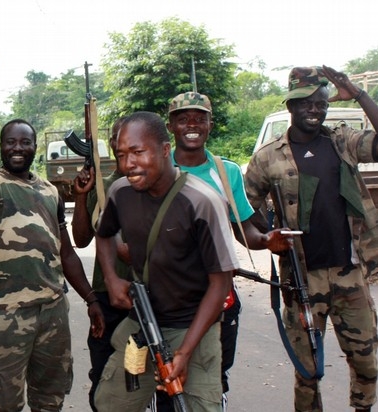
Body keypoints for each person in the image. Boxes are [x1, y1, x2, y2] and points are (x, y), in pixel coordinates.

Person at [244, 65, 378, 412]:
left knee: (367, 362)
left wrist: (360, 95)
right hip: (302, 278)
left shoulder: (341, 142)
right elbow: (242, 211)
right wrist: (264, 237)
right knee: (308, 371)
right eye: (306, 104)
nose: (314, 110)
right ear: (290, 105)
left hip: (349, 272)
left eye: (320, 104)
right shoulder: (267, 157)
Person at [0, 107, 105, 411]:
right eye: (10, 142)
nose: (17, 148)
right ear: (0, 146)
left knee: (50, 397)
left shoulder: (50, 191)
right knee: (1, 402)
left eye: (25, 142)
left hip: (52, 313)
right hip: (4, 316)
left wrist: (91, 299)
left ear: (35, 147)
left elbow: (66, 252)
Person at [93, 111, 238, 411]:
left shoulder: (202, 202)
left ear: (164, 150)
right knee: (110, 405)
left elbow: (221, 282)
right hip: (143, 325)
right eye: (121, 155)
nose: (128, 164)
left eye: (137, 152)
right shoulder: (121, 192)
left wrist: (185, 352)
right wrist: (111, 277)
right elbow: (104, 234)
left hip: (193, 328)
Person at [164, 91, 293, 410]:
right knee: (166, 380)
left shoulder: (227, 172)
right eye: (183, 119)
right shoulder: (157, 168)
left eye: (199, 118)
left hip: (218, 292)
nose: (192, 125)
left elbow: (243, 228)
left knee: (214, 376)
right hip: (167, 293)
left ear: (210, 124)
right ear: (171, 126)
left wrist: (266, 241)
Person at [72, 116, 132, 412]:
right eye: (120, 143)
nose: (128, 153)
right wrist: (82, 198)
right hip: (109, 299)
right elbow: (80, 239)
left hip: (152, 298)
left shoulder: (160, 187)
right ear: (112, 146)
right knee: (104, 379)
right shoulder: (102, 187)